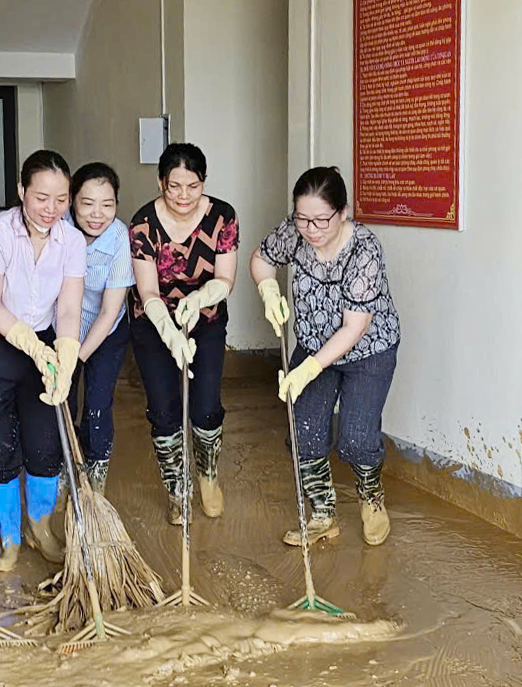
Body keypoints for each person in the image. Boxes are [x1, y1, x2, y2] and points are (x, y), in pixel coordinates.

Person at [251, 166, 400, 547]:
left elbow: (355, 328)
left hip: (367, 350)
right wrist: (268, 288)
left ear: (343, 212)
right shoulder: (294, 232)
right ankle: (321, 514)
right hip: (313, 344)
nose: (311, 229)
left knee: (357, 436)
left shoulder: (364, 249)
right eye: (302, 219)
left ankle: (371, 499)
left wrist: (308, 370)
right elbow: (262, 258)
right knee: (305, 430)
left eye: (321, 220)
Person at [0, 150, 86, 572]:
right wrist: (30, 345)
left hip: (49, 344)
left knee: (45, 443)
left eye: (61, 199)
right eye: (41, 198)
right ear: (21, 192)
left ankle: (41, 527)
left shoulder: (71, 240)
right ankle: (10, 537)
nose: (51, 209)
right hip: (0, 345)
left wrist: (65, 354)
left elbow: (70, 307)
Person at [130, 142, 238, 525]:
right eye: (174, 186)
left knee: (206, 406)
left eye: (192, 186)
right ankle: (178, 491)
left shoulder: (222, 216)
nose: (183, 196)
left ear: (202, 183)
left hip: (205, 321)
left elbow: (225, 277)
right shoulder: (143, 224)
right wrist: (167, 328)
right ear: (161, 182)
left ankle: (208, 476)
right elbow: (146, 291)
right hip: (153, 325)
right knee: (164, 410)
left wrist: (202, 297)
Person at [65, 162, 134, 493]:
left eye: (107, 205)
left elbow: (109, 311)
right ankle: (64, 468)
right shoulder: (59, 229)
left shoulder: (120, 237)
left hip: (106, 329)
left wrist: (77, 358)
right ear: (72, 201)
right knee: (61, 399)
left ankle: (95, 482)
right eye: (87, 203)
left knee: (97, 402)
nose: (97, 214)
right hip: (62, 326)